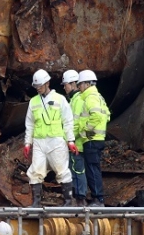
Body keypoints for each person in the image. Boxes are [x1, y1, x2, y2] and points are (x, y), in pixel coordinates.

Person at [23, 69, 78, 207]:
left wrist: (70, 140)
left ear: (47, 83)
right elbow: (30, 123)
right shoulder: (34, 102)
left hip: (56, 141)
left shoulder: (60, 99)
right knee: (36, 170)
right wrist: (27, 143)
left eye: (40, 86)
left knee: (62, 170)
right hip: (39, 141)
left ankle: (68, 201)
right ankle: (36, 202)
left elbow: (68, 121)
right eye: (36, 86)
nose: (38, 89)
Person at [77, 70, 111, 207]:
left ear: (86, 84)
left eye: (80, 84)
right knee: (94, 168)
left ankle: (98, 199)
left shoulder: (90, 97)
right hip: (98, 138)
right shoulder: (99, 97)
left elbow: (97, 116)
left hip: (91, 139)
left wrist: (85, 129)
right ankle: (98, 198)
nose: (79, 87)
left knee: (92, 169)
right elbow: (107, 115)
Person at [62, 70, 88, 206]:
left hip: (77, 144)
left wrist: (69, 139)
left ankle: (80, 200)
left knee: (78, 171)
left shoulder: (77, 101)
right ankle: (76, 198)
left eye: (65, 84)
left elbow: (76, 124)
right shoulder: (73, 100)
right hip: (75, 143)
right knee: (74, 171)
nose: (64, 88)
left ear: (73, 84)